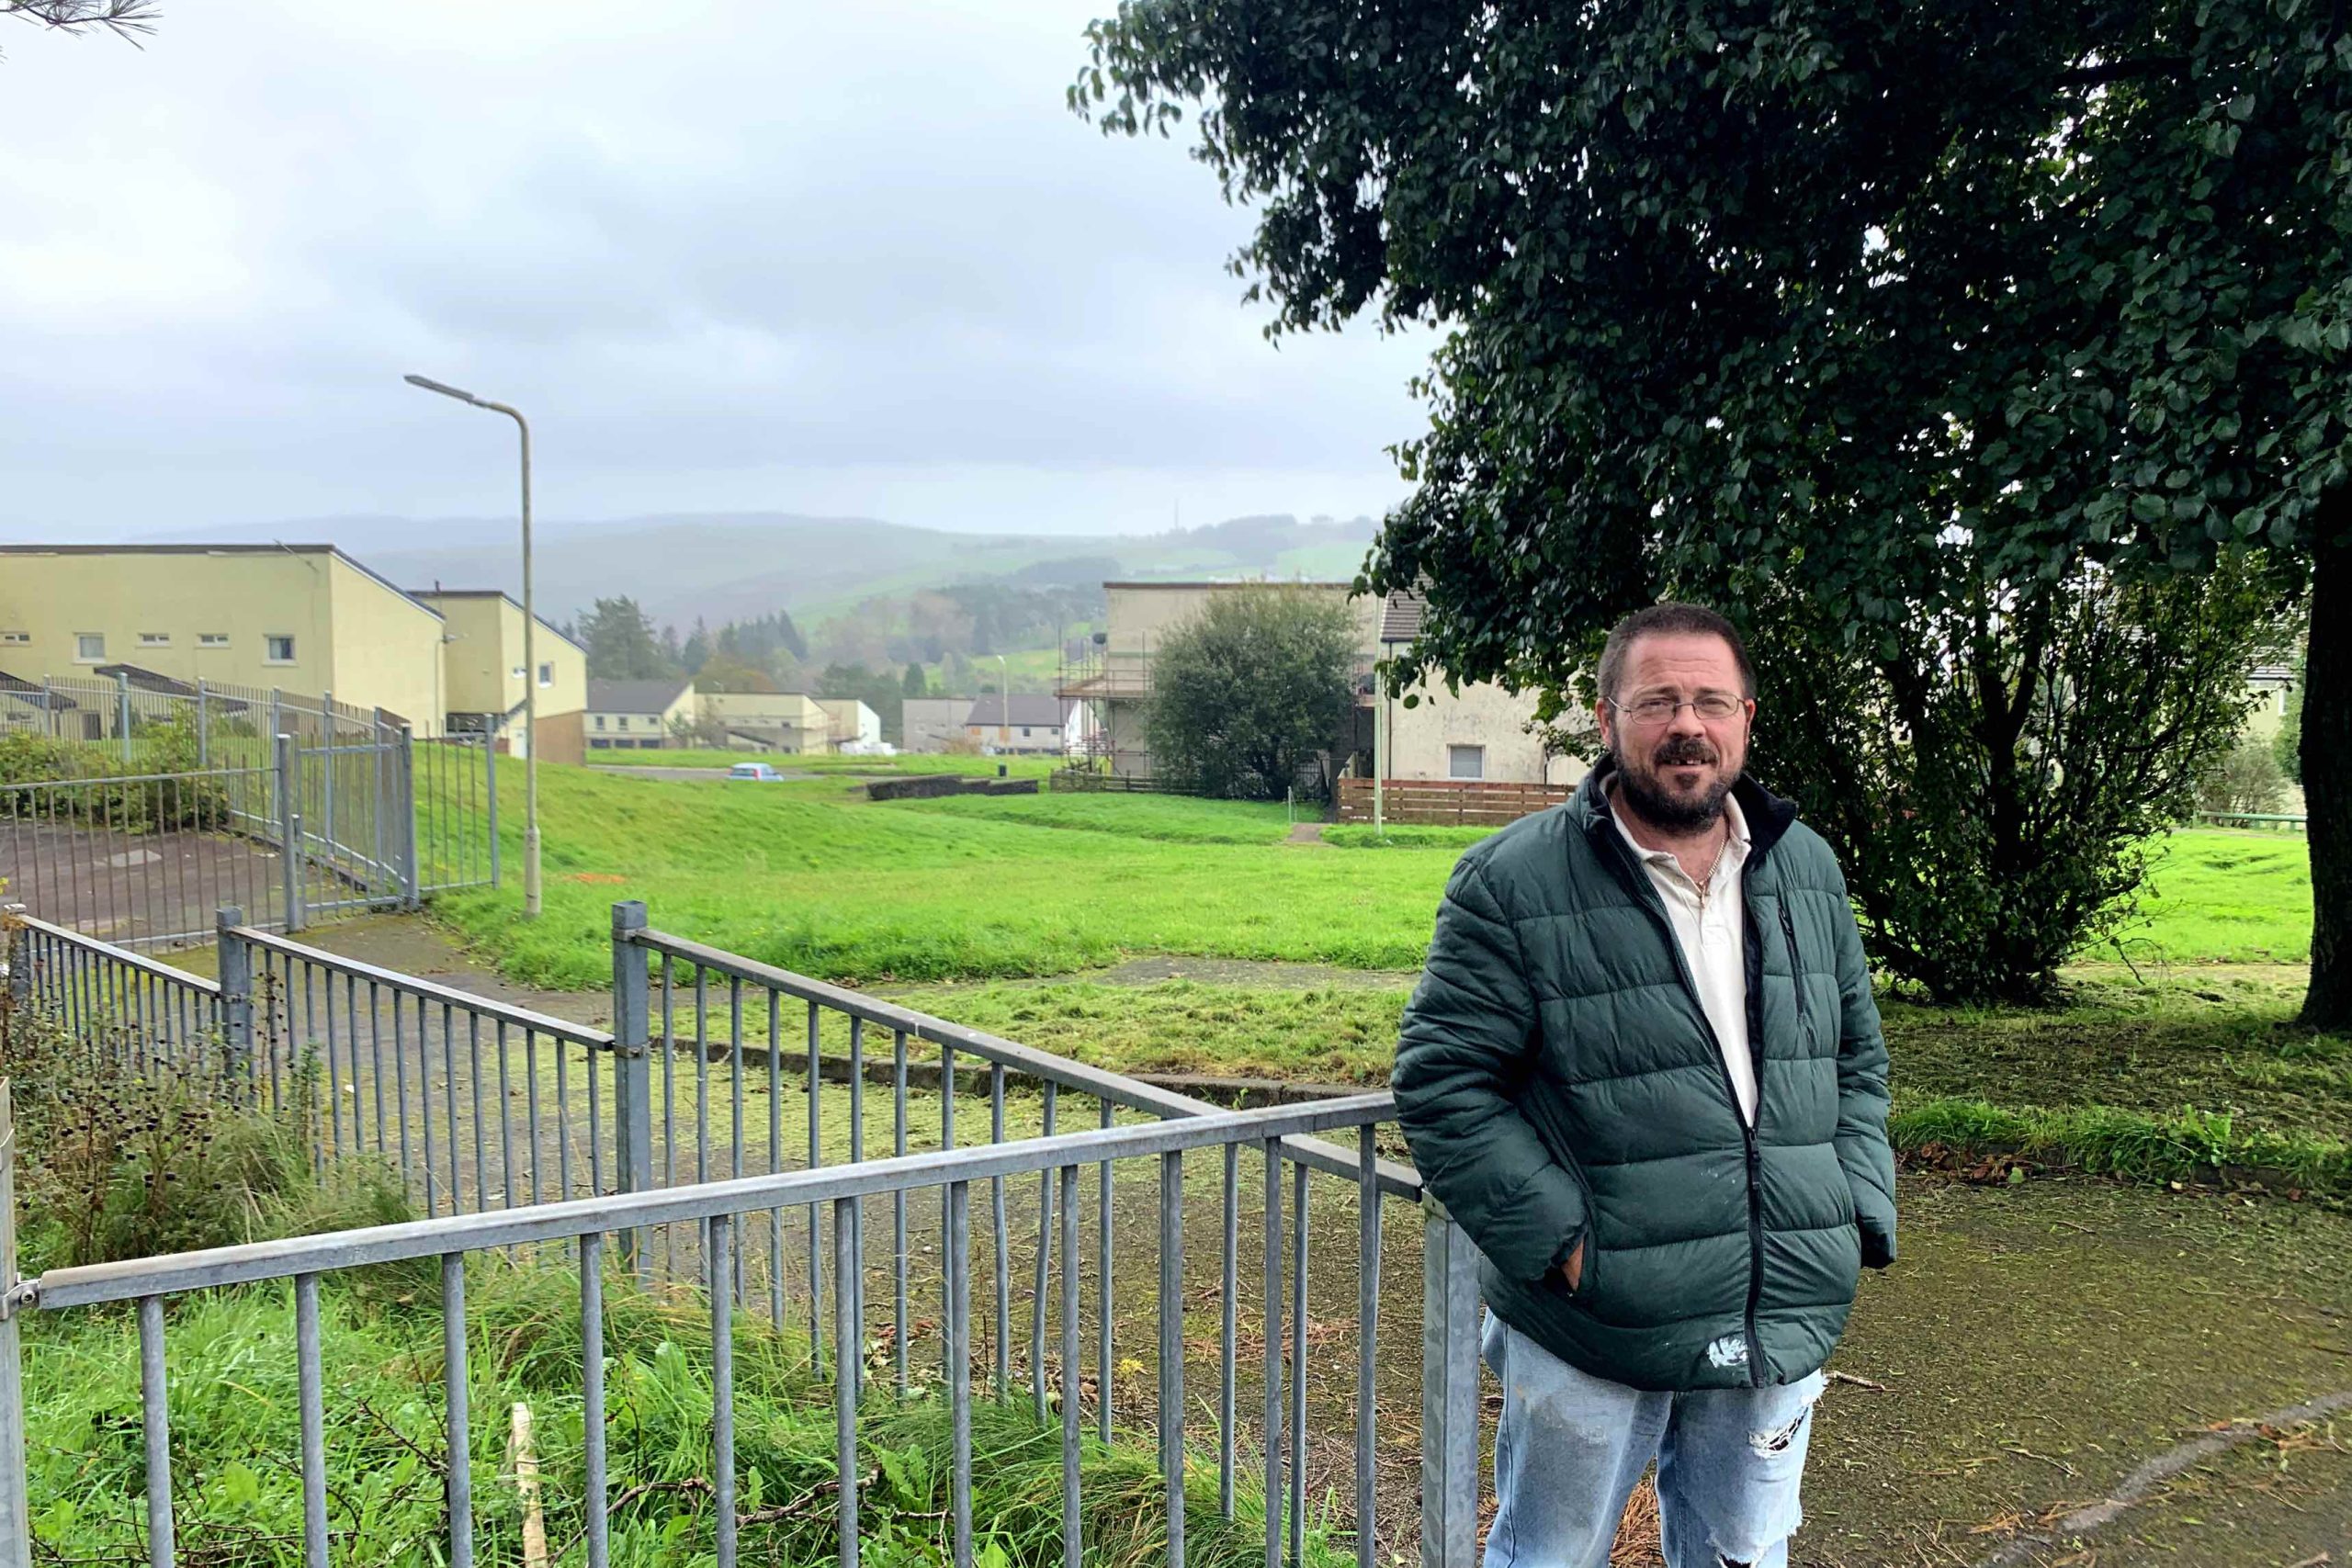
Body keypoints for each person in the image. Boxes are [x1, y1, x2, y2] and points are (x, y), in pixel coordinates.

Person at [1391, 602, 1896, 1568]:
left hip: (1774, 1300)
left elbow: (1856, 1062)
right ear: (1606, 716)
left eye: (1710, 700)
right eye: (1657, 701)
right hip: (1595, 1318)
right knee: (1548, 1554)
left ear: (1746, 715)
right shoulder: (1511, 882)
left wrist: (1851, 1209)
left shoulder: (1805, 869)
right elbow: (1444, 1084)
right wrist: (1568, 1248)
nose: (1686, 726)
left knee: (1742, 1553)